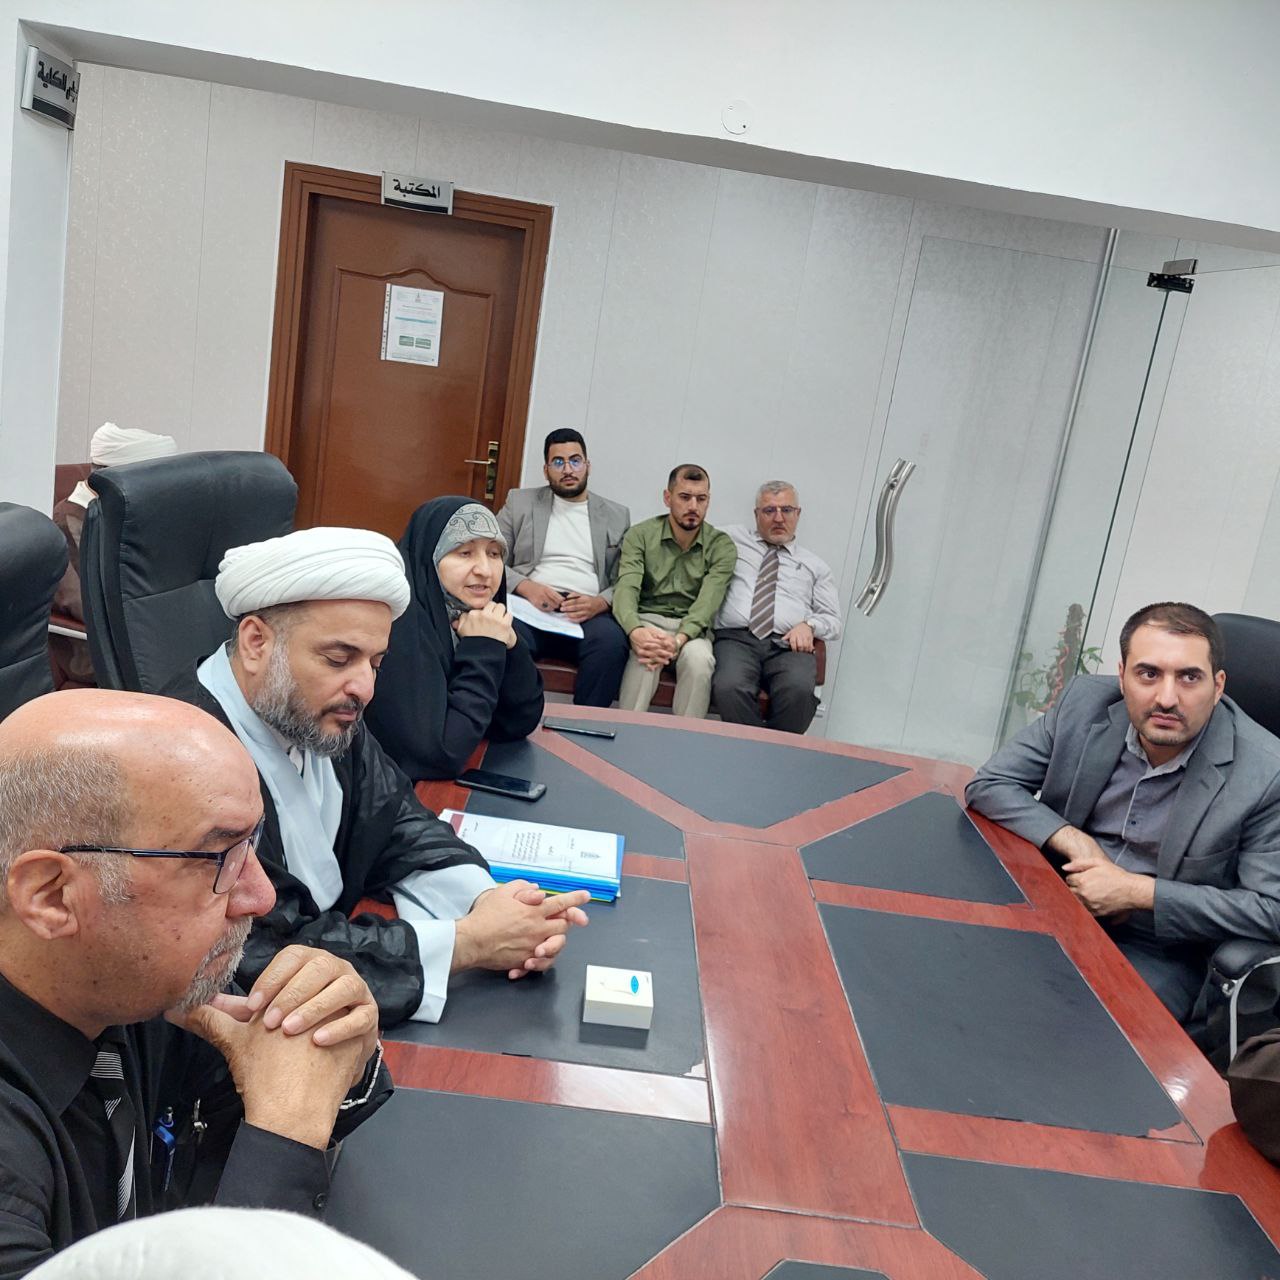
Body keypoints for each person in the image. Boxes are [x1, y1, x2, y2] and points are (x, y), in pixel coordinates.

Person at [0, 688, 391, 1277]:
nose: (260, 896)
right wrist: (285, 1132)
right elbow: (283, 1122)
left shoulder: (121, 983)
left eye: (251, 846)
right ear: (53, 896)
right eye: (219, 858)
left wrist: (329, 1030)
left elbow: (284, 1077)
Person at [173, 525, 584, 1029]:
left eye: (376, 663)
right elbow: (256, 954)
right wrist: (468, 942)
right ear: (256, 642)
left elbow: (395, 818)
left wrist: (493, 905)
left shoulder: (314, 709)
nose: (364, 688)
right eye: (338, 659)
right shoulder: (185, 761)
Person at [966, 602, 1280, 1025]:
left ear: (1218, 685)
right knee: (967, 979)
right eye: (1148, 674)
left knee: (1080, 1033)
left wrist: (1136, 892)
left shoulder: (1267, 774)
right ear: (1122, 675)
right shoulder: (1085, 703)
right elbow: (990, 784)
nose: (1166, 698)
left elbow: (1270, 909)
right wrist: (1074, 840)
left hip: (1161, 949)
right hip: (1057, 901)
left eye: (1189, 677)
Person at [365, 497, 546, 777]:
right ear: (430, 558)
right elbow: (439, 754)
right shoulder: (398, 627)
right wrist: (483, 650)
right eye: (464, 552)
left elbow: (517, 722)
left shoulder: (479, 617)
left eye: (494, 553)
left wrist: (510, 647)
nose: (484, 570)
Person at [496, 429, 631, 707]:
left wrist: (599, 603)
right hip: (529, 606)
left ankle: (586, 725)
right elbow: (489, 557)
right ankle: (515, 721)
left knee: (611, 644)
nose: (568, 469)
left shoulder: (617, 515)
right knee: (504, 635)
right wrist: (526, 587)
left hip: (587, 612)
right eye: (558, 462)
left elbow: (627, 577)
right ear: (546, 470)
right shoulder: (519, 503)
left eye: (575, 461)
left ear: (587, 465)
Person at [49, 424, 177, 689]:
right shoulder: (69, 520)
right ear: (115, 480)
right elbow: (86, 604)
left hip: (147, 638)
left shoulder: (131, 514)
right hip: (97, 652)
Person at [711, 481, 841, 734]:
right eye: (769, 510)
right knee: (729, 686)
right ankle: (759, 752)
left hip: (788, 645)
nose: (779, 518)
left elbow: (833, 620)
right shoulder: (730, 539)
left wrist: (809, 625)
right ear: (756, 514)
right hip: (735, 640)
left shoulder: (816, 566)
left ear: (798, 514)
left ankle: (771, 752)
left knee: (799, 691)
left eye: (787, 510)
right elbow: (691, 533)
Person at [611, 465, 737, 718]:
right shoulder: (640, 535)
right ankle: (627, 730)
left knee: (700, 663)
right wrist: (635, 631)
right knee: (646, 657)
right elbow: (626, 588)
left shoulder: (721, 545)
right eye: (685, 497)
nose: (693, 506)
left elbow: (707, 603)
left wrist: (679, 639)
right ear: (668, 498)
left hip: (692, 629)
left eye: (701, 499)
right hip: (648, 620)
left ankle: (687, 738)